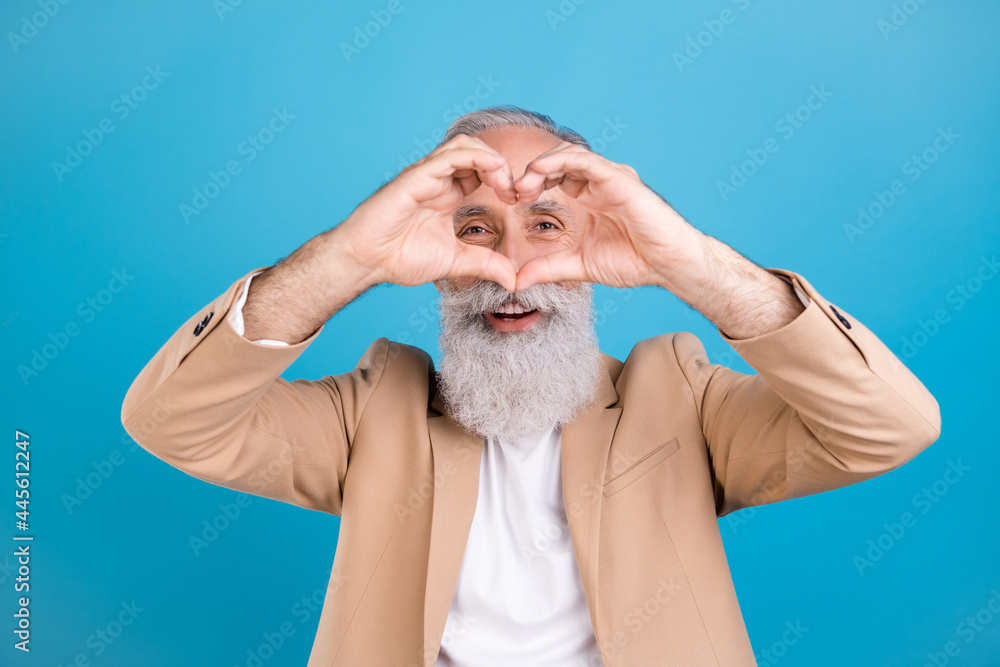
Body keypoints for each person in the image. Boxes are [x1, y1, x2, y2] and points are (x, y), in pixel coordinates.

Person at [121, 105, 941, 666]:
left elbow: (890, 427)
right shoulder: (378, 408)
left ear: (596, 245)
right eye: (474, 231)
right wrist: (347, 260)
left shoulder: (678, 397)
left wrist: (688, 263)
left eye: (545, 225)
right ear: (433, 265)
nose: (510, 270)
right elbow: (170, 420)